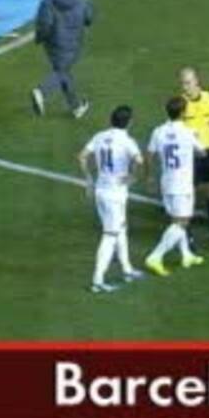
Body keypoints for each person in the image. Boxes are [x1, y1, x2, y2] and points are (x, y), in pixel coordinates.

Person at [77, 105, 144, 293]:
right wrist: (132, 176)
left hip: (101, 190)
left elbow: (82, 156)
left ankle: (127, 269)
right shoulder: (127, 141)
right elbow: (139, 161)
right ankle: (97, 281)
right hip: (116, 193)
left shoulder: (100, 136)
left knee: (120, 228)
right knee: (110, 235)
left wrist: (88, 179)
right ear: (129, 122)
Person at [144, 97, 206, 276]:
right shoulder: (187, 132)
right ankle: (155, 256)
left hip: (167, 181)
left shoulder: (158, 131)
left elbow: (149, 155)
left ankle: (186, 255)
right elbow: (202, 153)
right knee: (182, 222)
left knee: (176, 220)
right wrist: (196, 138)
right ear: (183, 112)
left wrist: (149, 177)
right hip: (182, 184)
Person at [30, 0, 93, 119]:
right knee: (62, 72)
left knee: (62, 71)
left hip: (53, 45)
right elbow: (89, 18)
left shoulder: (47, 2)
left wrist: (39, 38)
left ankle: (76, 107)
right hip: (74, 43)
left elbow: (44, 25)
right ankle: (42, 92)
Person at [180, 67, 209, 245]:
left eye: (188, 83)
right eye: (183, 83)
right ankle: (187, 236)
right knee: (188, 194)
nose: (185, 87)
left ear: (196, 81)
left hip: (208, 153)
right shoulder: (180, 104)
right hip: (188, 155)